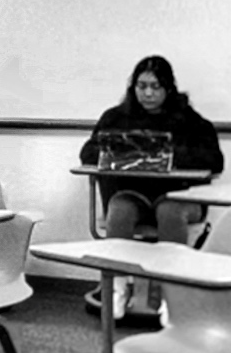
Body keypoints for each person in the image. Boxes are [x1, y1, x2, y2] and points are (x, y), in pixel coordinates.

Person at [78, 55, 223, 313]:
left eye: (155, 87)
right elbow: (88, 154)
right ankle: (117, 288)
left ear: (168, 89)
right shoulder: (115, 119)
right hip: (133, 195)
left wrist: (166, 156)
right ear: (133, 88)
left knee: (169, 211)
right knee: (120, 210)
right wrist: (126, 154)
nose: (148, 93)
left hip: (179, 197)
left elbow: (214, 160)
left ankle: (169, 294)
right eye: (141, 86)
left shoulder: (190, 121)